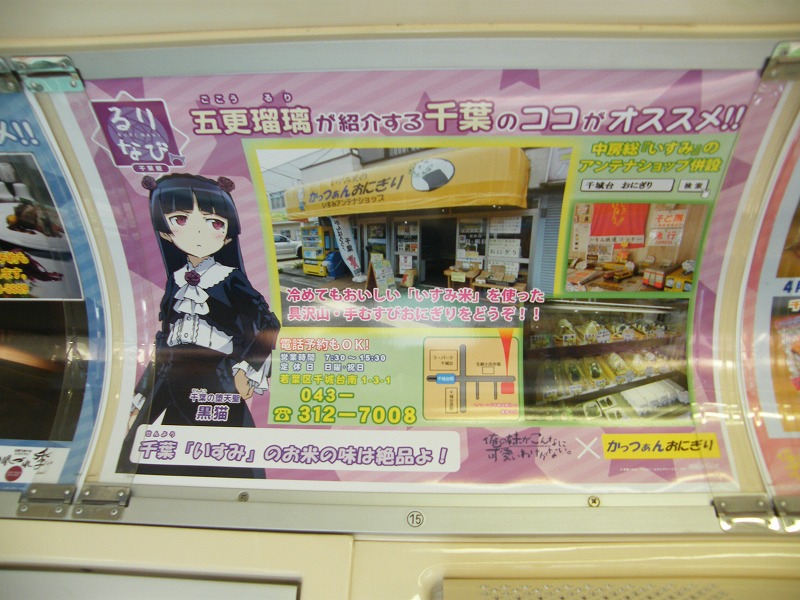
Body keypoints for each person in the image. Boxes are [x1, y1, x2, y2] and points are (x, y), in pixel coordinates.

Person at [122, 174, 280, 476]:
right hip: (171, 374)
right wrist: (142, 391)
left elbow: (269, 324)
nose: (198, 230)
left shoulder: (230, 278)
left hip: (216, 375)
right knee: (155, 453)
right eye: (180, 219)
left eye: (214, 222)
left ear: (228, 234)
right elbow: (165, 338)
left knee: (227, 453)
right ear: (164, 230)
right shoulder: (175, 279)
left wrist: (246, 368)